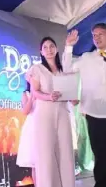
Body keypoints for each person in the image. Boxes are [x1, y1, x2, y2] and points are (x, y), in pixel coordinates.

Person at [63, 23, 106, 187]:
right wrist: (68, 47)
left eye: (100, 34)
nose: (97, 38)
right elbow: (66, 70)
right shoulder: (86, 58)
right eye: (94, 35)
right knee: (99, 155)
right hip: (94, 114)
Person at [27, 36, 77, 187]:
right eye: (45, 48)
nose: (49, 50)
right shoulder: (37, 69)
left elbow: (70, 90)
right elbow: (34, 93)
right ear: (41, 52)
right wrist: (48, 96)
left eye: (51, 46)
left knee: (65, 150)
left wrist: (73, 97)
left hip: (62, 112)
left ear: (56, 49)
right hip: (44, 113)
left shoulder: (63, 70)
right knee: (46, 153)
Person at [16, 82, 36, 185]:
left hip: (45, 124)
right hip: (32, 128)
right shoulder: (26, 94)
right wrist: (33, 95)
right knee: (35, 163)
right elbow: (25, 111)